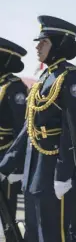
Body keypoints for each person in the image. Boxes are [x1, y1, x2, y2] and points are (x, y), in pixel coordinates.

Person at [0, 16, 76, 241]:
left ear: (58, 44)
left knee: (51, 233)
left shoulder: (70, 77)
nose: (37, 47)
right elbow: (27, 129)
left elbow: (71, 129)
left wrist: (63, 174)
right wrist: (6, 165)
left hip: (52, 168)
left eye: (44, 42)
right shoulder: (45, 78)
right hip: (34, 168)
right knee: (33, 232)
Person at [0, 38, 28, 229]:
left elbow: (21, 129)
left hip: (6, 155)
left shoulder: (14, 86)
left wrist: (16, 168)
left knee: (7, 215)